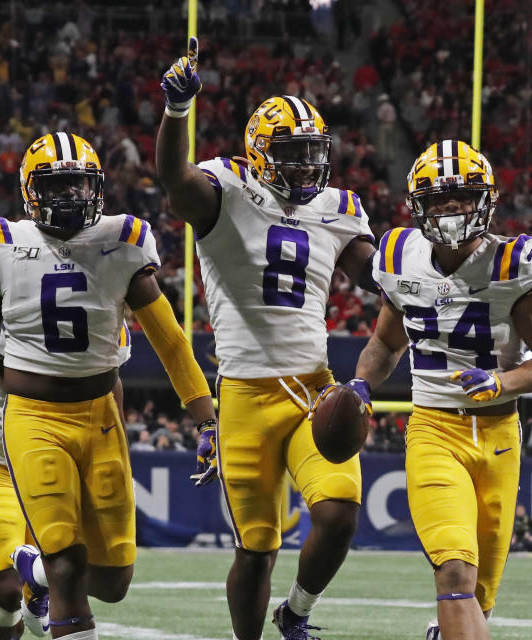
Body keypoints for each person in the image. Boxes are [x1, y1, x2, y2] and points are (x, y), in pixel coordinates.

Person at [0, 132, 217, 640]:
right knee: (64, 569)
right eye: (58, 186)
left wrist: (206, 417)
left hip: (97, 420)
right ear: (31, 192)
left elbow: (171, 342)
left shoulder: (123, 242)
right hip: (30, 417)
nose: (71, 197)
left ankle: (34, 564)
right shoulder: (2, 244)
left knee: (114, 580)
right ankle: (41, 567)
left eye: (80, 185)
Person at [156, 39, 378, 640]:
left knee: (336, 514)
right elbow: (173, 180)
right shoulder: (224, 188)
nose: (307, 166)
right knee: (257, 547)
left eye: (314, 153)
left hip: (313, 388)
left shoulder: (337, 206)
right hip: (247, 397)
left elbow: (377, 277)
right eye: (292, 153)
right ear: (259, 153)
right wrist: (177, 112)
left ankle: (297, 611)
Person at [343, 139, 532, 640]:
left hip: (500, 435)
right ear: (417, 206)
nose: (451, 210)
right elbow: (384, 344)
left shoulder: (513, 264)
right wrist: (360, 384)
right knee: (454, 573)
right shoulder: (400, 255)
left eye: (463, 198)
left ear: (485, 200)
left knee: (479, 596)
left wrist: (501, 381)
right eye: (439, 200)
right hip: (434, 430)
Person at [0, 326, 130, 640]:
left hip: (54, 464)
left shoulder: (107, 311)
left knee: (86, 574)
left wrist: (115, 453)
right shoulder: (19, 305)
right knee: (8, 588)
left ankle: (37, 576)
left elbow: (111, 385)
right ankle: (36, 576)